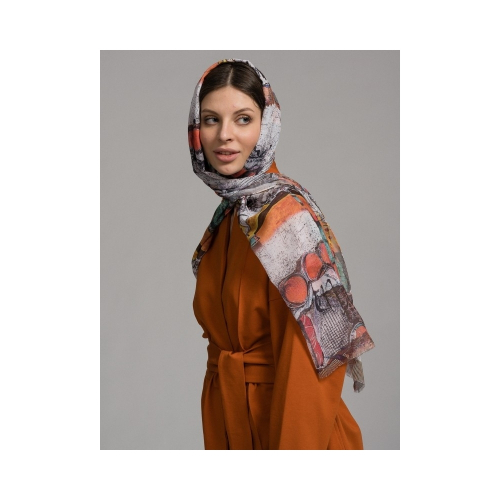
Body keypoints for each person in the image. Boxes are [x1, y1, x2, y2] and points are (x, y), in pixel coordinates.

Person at [189, 59, 375, 450]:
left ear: (267, 124)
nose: (224, 135)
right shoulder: (233, 216)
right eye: (210, 120)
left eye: (243, 119)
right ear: (195, 130)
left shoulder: (286, 222)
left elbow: (310, 373)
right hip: (234, 426)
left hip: (294, 434)